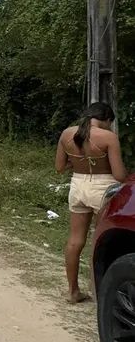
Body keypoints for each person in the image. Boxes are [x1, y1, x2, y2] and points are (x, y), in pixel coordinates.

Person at [55, 102, 126, 302]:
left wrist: (79, 161)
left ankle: (72, 291)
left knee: (75, 241)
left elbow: (59, 167)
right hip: (102, 188)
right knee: (103, 241)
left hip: (77, 185)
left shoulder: (67, 134)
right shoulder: (108, 137)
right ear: (107, 120)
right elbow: (119, 175)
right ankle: (101, 295)